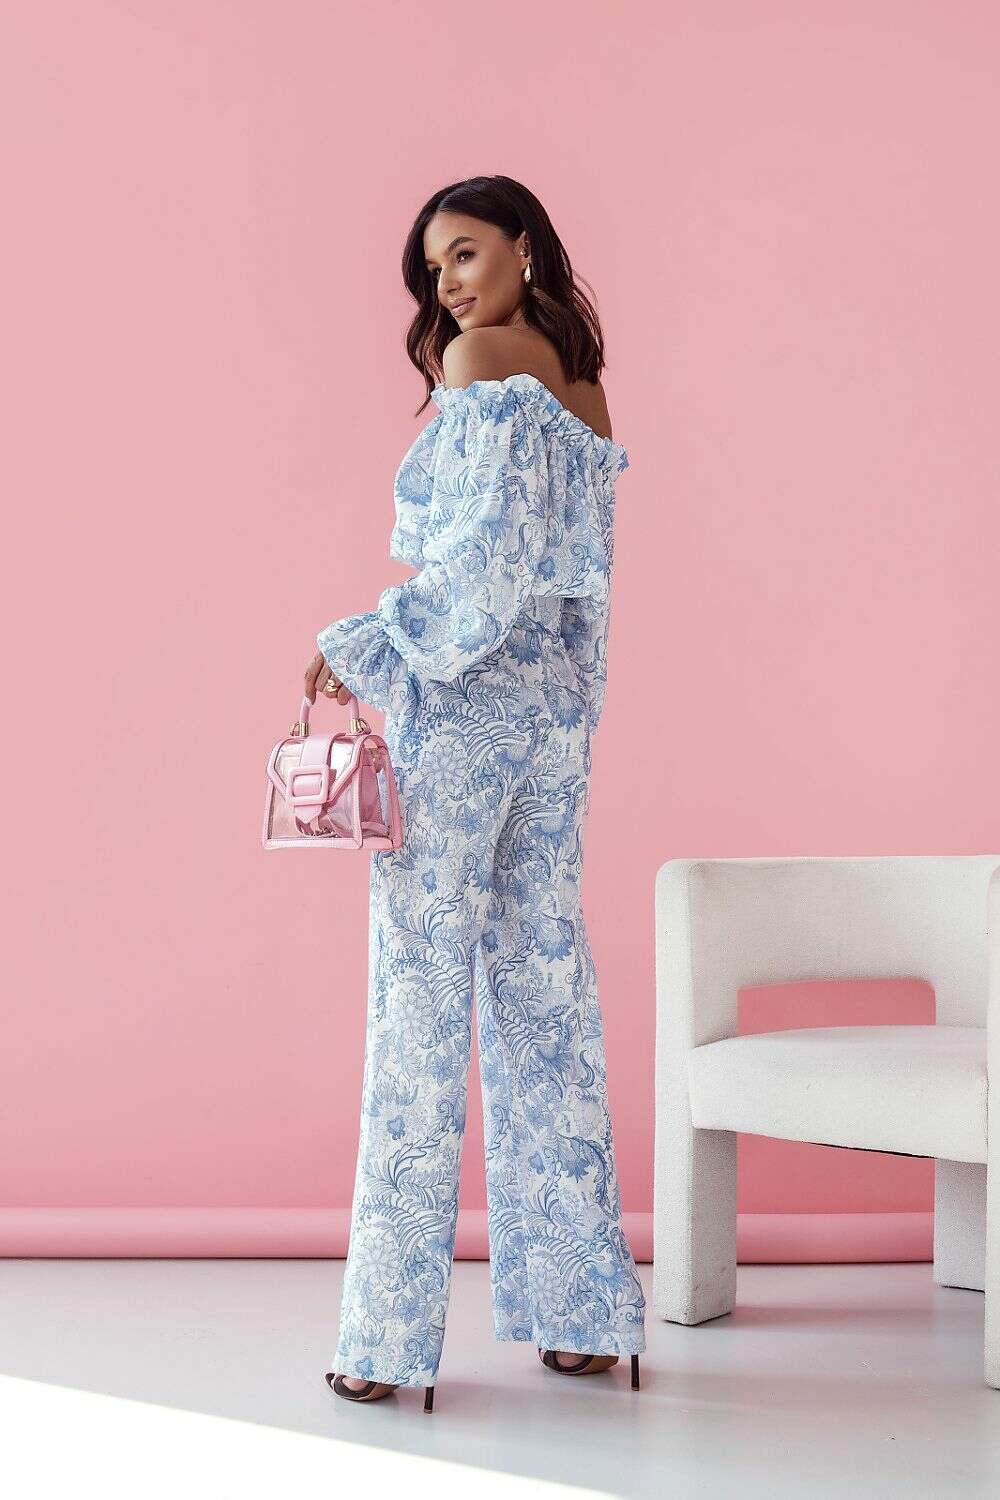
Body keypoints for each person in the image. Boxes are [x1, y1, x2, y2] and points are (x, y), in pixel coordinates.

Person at [304, 175, 645, 1409]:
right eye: (433, 267)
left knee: (418, 1004)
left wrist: (364, 645)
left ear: (523, 247)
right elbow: (577, 598)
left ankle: (384, 1340)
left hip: (460, 716)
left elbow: (475, 574)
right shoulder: (586, 394)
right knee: (544, 1001)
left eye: (464, 253)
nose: (447, 285)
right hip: (554, 727)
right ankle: (584, 1316)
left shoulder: (480, 363)